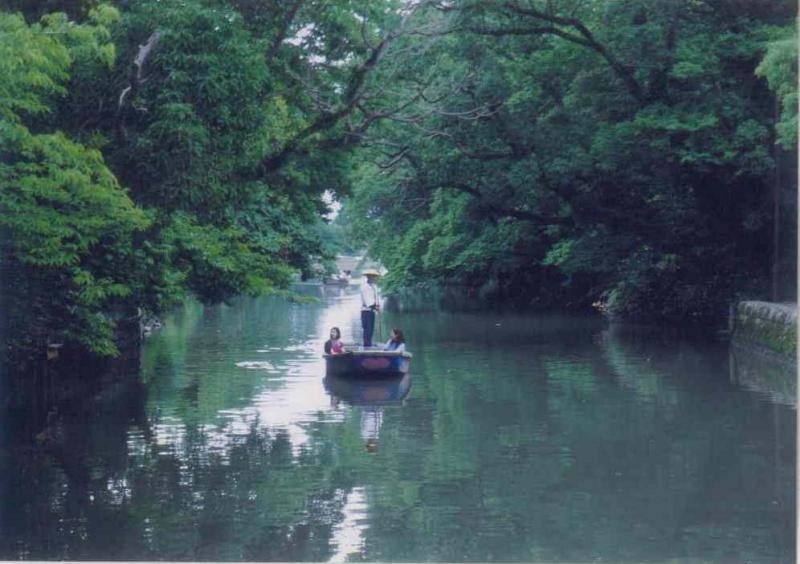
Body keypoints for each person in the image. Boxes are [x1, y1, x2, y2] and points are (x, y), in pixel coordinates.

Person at [360, 269, 381, 347]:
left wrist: (377, 305)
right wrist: (376, 307)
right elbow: (367, 302)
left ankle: (369, 344)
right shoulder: (364, 287)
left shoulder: (374, 287)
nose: (373, 278)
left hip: (371, 311)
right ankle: (367, 345)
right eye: (372, 276)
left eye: (374, 276)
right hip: (366, 311)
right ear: (368, 277)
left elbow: (376, 298)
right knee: (367, 330)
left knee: (371, 329)